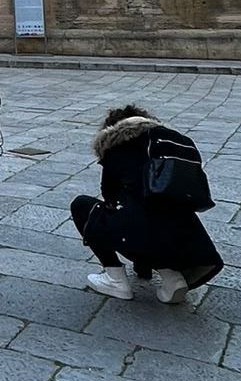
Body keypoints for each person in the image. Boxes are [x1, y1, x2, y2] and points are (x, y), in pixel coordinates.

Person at [71, 105, 223, 304]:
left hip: (145, 231)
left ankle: (115, 279)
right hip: (189, 236)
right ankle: (171, 276)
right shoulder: (174, 142)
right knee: (154, 210)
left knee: (84, 206)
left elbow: (110, 196)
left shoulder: (117, 146)